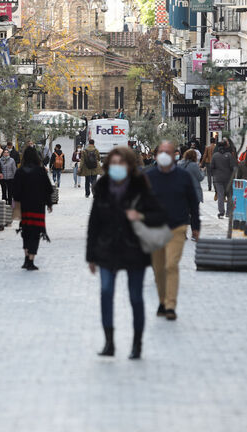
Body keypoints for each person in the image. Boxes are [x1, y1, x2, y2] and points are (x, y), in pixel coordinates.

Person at [87, 146, 167, 359]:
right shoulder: (102, 186)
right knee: (106, 292)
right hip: (107, 248)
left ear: (130, 166)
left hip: (134, 250)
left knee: (135, 296)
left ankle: (137, 343)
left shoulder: (140, 186)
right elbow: (93, 222)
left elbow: (159, 215)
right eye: (113, 163)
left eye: (121, 163)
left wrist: (140, 216)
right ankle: (109, 342)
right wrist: (90, 255)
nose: (117, 167)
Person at [145, 141, 201, 321]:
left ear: (175, 155)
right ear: (156, 155)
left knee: (171, 265)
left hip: (177, 226)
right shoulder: (149, 176)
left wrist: (196, 226)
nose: (164, 155)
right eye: (161, 151)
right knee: (158, 269)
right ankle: (162, 301)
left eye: (168, 152)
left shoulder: (183, 177)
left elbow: (193, 202)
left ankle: (170, 305)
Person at [12, 147, 53, 271]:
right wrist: (49, 203)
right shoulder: (40, 171)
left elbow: (15, 192)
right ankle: (31, 260)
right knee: (35, 233)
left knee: (26, 231)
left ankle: (26, 258)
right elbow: (48, 189)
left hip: (25, 206)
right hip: (38, 207)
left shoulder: (20, 172)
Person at [210, 140, 238, 219]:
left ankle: (221, 212)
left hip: (218, 179)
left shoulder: (215, 156)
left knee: (220, 195)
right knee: (229, 195)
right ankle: (228, 212)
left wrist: (214, 174)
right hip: (228, 178)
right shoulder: (229, 155)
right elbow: (233, 166)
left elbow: (211, 167)